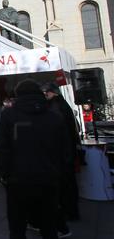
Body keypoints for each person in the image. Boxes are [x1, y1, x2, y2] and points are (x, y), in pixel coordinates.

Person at [0, 79, 69, 239]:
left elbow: (3, 149)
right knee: (50, 233)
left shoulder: (10, 116)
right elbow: (65, 152)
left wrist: (5, 176)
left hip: (19, 181)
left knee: (18, 233)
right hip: (48, 181)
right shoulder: (54, 117)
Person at [42, 82, 81, 226]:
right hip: (67, 150)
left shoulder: (55, 107)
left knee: (64, 184)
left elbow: (56, 131)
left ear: (52, 92)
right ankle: (71, 211)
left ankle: (68, 212)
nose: (44, 95)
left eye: (46, 92)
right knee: (69, 183)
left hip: (61, 152)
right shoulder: (62, 105)